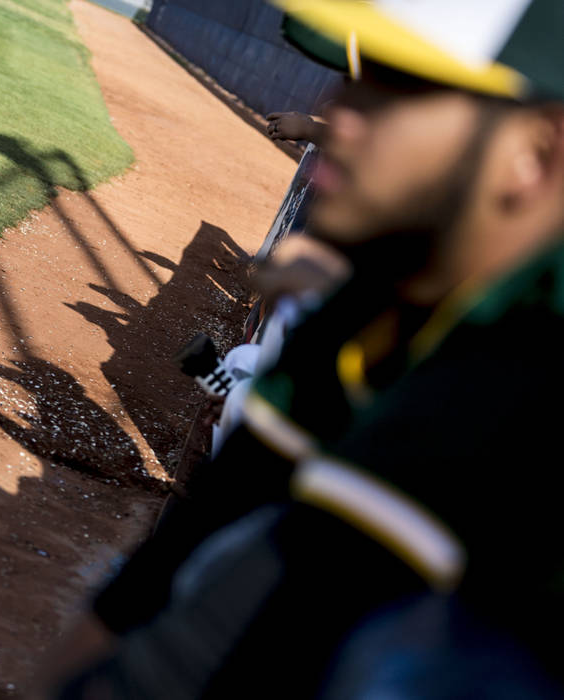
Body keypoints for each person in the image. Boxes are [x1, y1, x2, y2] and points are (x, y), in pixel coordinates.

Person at [35, 0, 564, 696]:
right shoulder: (384, 287)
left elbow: (284, 609)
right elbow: (165, 575)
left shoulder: (528, 362)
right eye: (353, 78)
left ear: (535, 155)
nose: (335, 113)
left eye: (395, 90)